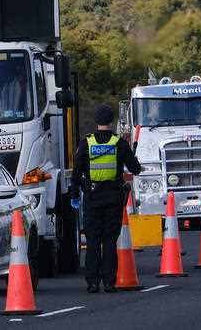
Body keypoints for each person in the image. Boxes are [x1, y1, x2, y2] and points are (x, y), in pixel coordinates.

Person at [71, 103, 141, 294]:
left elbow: (76, 172)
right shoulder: (119, 143)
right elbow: (135, 169)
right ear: (111, 121)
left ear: (96, 120)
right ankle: (109, 282)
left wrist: (75, 194)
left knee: (93, 240)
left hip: (92, 199)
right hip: (113, 199)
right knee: (110, 241)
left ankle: (92, 283)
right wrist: (132, 154)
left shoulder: (86, 143)